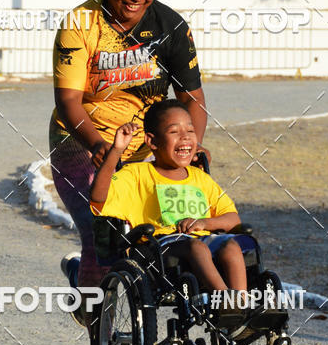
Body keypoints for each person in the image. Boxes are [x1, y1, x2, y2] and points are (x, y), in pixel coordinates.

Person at [49, 0, 209, 345]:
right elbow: (69, 101)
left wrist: (189, 146)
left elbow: (193, 99)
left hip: (146, 150)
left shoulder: (171, 26)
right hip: (80, 144)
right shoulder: (80, 24)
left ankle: (89, 283)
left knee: (148, 242)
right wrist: (99, 146)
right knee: (104, 237)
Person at [90, 100, 251, 328]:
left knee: (231, 246)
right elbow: (98, 199)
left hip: (203, 240)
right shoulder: (137, 174)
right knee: (196, 248)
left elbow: (233, 219)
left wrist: (204, 222)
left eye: (190, 131)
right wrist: (116, 151)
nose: (185, 137)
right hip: (160, 247)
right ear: (152, 141)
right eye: (174, 132)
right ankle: (226, 302)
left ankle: (242, 309)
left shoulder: (201, 178)